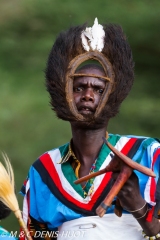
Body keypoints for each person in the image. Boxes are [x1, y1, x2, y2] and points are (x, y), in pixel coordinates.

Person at [20, 18, 160, 240]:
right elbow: (32, 235)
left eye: (98, 89)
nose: (87, 95)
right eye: (79, 87)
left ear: (112, 96)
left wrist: (138, 204)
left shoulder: (147, 154)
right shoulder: (42, 171)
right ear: (63, 93)